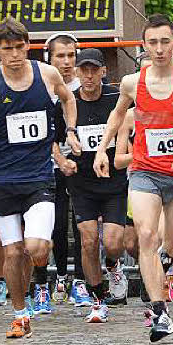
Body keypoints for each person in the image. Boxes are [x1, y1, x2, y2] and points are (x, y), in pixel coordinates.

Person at [92, 14, 173, 342]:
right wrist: (101, 150)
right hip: (144, 171)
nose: (160, 49)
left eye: (165, 42)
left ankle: (167, 262)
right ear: (144, 46)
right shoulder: (132, 83)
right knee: (146, 236)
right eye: (153, 43)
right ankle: (160, 314)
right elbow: (118, 113)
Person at [0, 18, 76, 339]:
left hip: (39, 178)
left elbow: (68, 99)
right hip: (3, 179)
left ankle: (30, 284)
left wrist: (72, 131)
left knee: (36, 249)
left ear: (28, 45)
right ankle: (20, 314)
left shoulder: (47, 74)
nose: (14, 55)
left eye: (19, 47)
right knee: (12, 252)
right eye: (7, 49)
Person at [65, 48, 130, 322]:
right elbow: (54, 140)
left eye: (94, 70)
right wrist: (62, 159)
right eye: (84, 70)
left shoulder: (117, 99)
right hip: (82, 183)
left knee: (113, 243)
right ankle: (98, 300)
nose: (89, 76)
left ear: (104, 71)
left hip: (113, 180)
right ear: (77, 72)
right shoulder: (68, 103)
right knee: (88, 241)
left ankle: (114, 265)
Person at [46, 32, 86, 306]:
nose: (66, 61)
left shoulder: (86, 85)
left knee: (83, 224)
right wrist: (59, 157)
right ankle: (60, 275)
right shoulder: (42, 88)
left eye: (71, 55)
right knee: (58, 224)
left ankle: (82, 279)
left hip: (83, 163)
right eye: (60, 55)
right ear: (49, 58)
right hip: (51, 164)